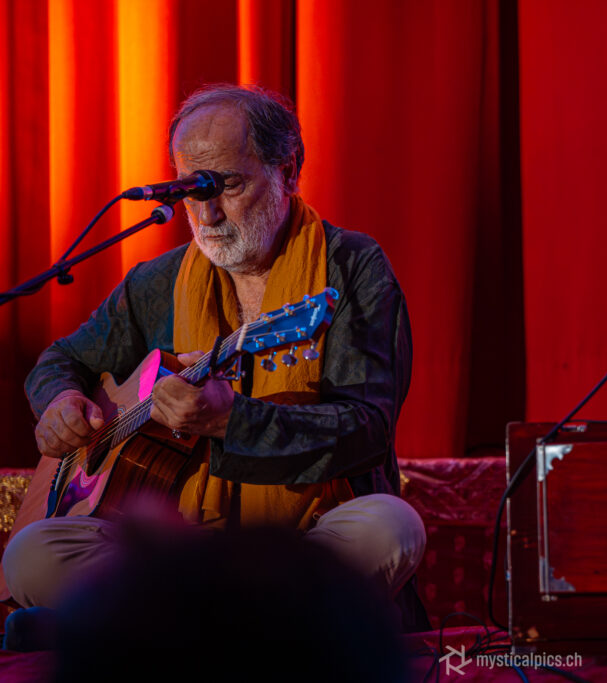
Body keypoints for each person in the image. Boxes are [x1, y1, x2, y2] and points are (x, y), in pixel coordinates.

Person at [2, 84, 428, 631]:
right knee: (33, 553)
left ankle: (172, 630)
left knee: (391, 526)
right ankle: (255, 631)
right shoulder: (158, 282)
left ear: (288, 171)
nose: (207, 212)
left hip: (302, 544)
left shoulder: (351, 268)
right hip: (173, 550)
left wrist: (232, 422)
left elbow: (367, 430)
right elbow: (62, 359)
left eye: (226, 184)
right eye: (190, 189)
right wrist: (60, 400)